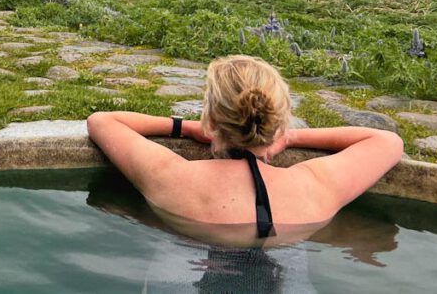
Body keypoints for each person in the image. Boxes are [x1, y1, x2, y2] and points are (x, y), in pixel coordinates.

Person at [87, 54, 404, 246]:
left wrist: (186, 128)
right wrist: (288, 139)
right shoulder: (314, 186)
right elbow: (387, 141)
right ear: (278, 120)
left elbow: (103, 121)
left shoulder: (171, 176)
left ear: (211, 119)